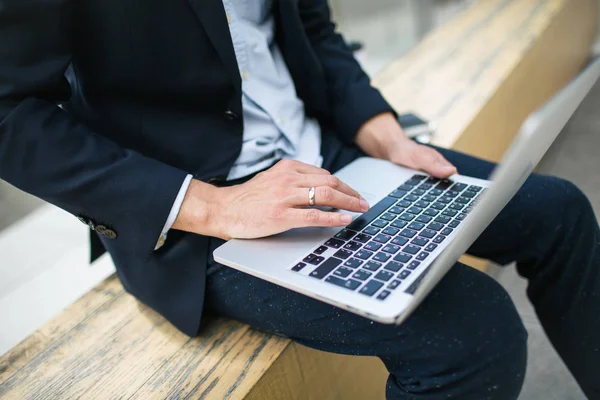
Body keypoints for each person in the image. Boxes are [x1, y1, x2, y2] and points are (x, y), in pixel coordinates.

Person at [0, 0, 598, 398]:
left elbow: (310, 28)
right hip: (200, 209)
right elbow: (10, 113)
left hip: (326, 154)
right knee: (473, 332)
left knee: (561, 212)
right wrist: (217, 207)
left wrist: (385, 135)